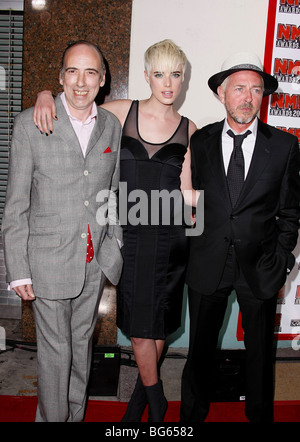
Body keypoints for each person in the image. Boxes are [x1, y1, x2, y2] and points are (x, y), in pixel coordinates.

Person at [32, 39, 197, 422]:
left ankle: (138, 405)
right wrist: (44, 93)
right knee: (141, 329)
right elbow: (76, 107)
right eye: (159, 74)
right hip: (131, 240)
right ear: (146, 76)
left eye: (175, 74)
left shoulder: (190, 128)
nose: (167, 82)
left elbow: (188, 194)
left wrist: (224, 216)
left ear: (183, 78)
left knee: (159, 329)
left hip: (171, 240)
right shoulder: (123, 112)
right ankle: (158, 405)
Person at [2, 40, 123, 422]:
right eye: (73, 71)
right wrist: (17, 267)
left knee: (80, 349)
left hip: (93, 262)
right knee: (56, 356)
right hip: (47, 262)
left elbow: (112, 190)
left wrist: (113, 245)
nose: (81, 82)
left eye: (91, 73)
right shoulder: (31, 123)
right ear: (60, 77)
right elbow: (16, 203)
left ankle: (71, 415)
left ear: (103, 80)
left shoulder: (111, 126)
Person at [180, 52, 300, 422]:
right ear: (221, 93)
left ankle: (259, 416)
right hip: (207, 264)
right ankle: (190, 419)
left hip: (259, 267)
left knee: (260, 354)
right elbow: (191, 203)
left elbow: (291, 213)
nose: (248, 97)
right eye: (239, 89)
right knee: (199, 351)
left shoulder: (284, 146)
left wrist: (280, 263)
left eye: (256, 90)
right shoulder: (200, 142)